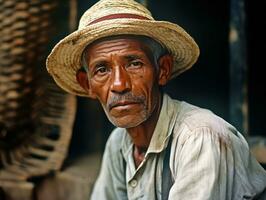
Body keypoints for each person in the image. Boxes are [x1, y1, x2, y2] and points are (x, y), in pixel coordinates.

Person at [46, 0, 266, 199]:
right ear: (88, 85)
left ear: (162, 70)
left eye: (134, 63)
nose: (119, 85)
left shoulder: (200, 137)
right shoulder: (119, 143)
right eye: (102, 70)